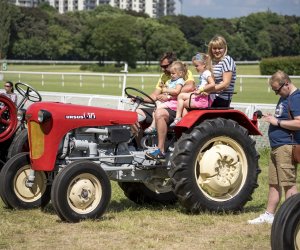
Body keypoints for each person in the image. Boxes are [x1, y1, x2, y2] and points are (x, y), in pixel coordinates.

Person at [248, 70, 300, 224]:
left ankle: (294, 219)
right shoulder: (285, 97)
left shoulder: (295, 98)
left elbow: (299, 123)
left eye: (277, 90)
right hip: (277, 147)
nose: (276, 93)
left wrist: (277, 122)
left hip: (287, 147)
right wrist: (269, 117)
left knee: (288, 184)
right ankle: (269, 215)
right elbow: (284, 117)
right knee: (274, 183)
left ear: (287, 84)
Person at [170, 52, 216, 127]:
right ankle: (180, 119)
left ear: (204, 65)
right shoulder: (203, 73)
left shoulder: (206, 73)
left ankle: (181, 120)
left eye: (197, 66)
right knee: (181, 97)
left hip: (203, 100)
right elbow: (205, 85)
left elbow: (212, 84)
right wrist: (197, 89)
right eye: (194, 66)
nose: (195, 68)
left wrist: (200, 90)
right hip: (200, 96)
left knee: (183, 102)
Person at [144, 61, 187, 134]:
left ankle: (153, 126)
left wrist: (166, 90)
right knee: (157, 105)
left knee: (158, 109)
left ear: (180, 73)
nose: (171, 75)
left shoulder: (180, 81)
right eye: (171, 73)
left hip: (174, 102)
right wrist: (163, 90)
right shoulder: (171, 81)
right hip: (169, 101)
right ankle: (157, 125)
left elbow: (176, 91)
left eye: (173, 73)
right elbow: (167, 91)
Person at [207, 35, 236, 107]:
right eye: (214, 48)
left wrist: (208, 90)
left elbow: (225, 84)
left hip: (222, 98)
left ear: (224, 48)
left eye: (220, 48)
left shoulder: (227, 60)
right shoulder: (212, 62)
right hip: (211, 95)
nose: (217, 51)